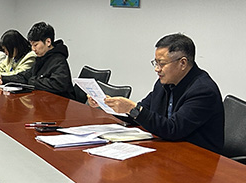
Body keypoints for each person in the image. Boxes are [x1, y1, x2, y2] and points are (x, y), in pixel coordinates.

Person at [90, 33, 224, 153]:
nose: (156, 69)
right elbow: (140, 113)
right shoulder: (163, 84)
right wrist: (108, 103)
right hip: (170, 150)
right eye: (155, 63)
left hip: (198, 159)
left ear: (182, 63)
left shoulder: (203, 91)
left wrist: (133, 109)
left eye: (162, 63)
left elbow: (173, 129)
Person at [0, 21, 75, 99]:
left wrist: (33, 81)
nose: (33, 49)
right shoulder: (41, 58)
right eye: (31, 45)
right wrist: (4, 79)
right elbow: (25, 76)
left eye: (35, 45)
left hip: (61, 102)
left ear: (48, 42)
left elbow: (58, 84)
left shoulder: (59, 60)